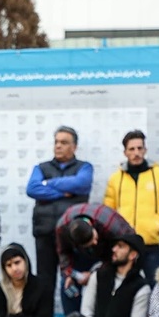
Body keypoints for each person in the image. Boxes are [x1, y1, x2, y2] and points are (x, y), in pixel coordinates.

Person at [102, 130, 159, 284]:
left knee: (157, 288)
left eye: (140, 148)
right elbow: (108, 211)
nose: (136, 153)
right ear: (125, 152)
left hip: (149, 244)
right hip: (124, 244)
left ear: (145, 150)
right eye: (132, 149)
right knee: (123, 289)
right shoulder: (115, 178)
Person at [25, 126, 93, 300]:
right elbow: (32, 188)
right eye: (56, 142)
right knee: (44, 283)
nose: (58, 146)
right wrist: (64, 192)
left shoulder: (84, 168)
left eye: (64, 142)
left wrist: (47, 184)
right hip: (45, 233)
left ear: (74, 147)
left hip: (72, 235)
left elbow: (81, 184)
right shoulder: (41, 167)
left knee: (71, 282)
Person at [54, 202, 135, 313]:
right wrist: (68, 274)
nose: (95, 242)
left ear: (92, 227)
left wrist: (95, 274)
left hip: (110, 252)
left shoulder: (111, 225)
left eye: (95, 238)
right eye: (91, 242)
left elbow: (131, 246)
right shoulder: (62, 228)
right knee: (67, 285)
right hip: (82, 254)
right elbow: (63, 252)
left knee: (105, 283)